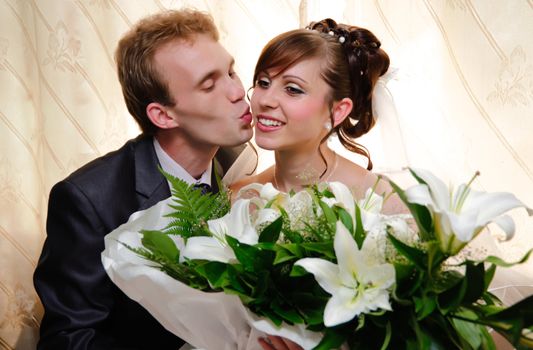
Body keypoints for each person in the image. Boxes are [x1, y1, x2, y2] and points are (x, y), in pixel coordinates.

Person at [33, 9, 253, 349]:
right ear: (163, 115)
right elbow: (69, 338)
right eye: (209, 84)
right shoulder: (87, 199)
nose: (238, 91)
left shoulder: (241, 163)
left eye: (231, 71)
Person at [232, 18, 403, 214]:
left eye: (293, 89)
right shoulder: (237, 197)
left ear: (337, 112)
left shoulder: (380, 200)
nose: (265, 100)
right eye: (263, 82)